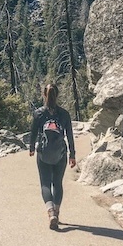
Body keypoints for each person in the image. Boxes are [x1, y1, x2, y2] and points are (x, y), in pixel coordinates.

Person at [29, 83, 76, 230]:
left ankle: (50, 213)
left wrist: (31, 148)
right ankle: (56, 211)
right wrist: (72, 155)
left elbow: (33, 133)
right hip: (60, 154)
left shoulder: (39, 113)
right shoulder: (64, 114)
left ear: (44, 95)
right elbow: (69, 135)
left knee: (45, 183)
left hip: (43, 153)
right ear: (57, 94)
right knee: (57, 183)